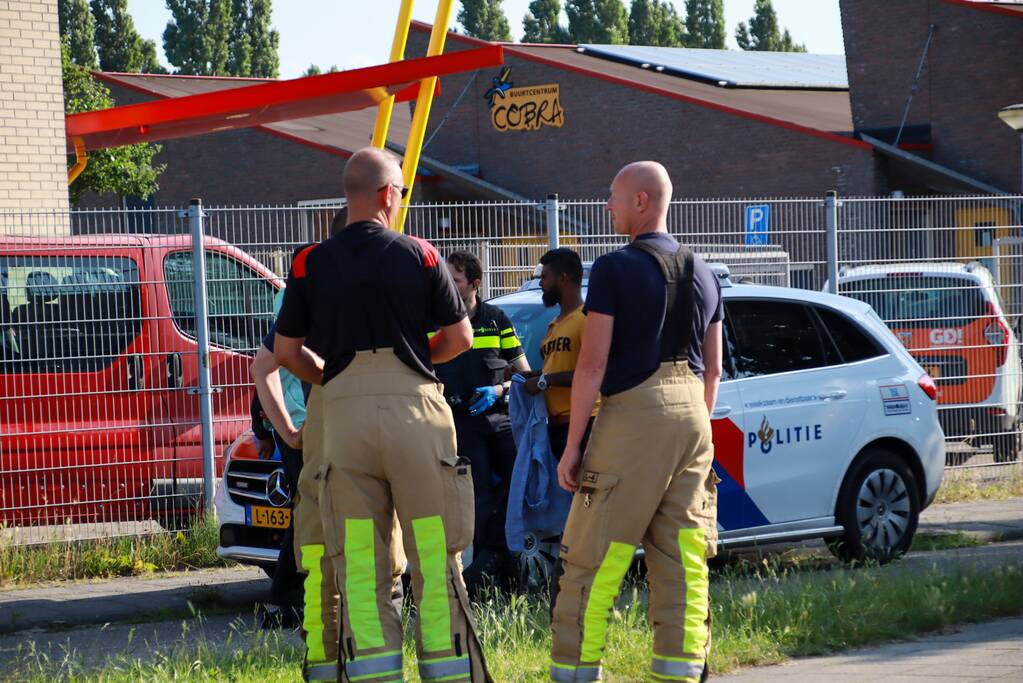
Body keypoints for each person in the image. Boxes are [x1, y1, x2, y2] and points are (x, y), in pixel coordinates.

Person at [275, 147, 492, 683]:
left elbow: (285, 350)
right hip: (415, 410)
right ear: (387, 194)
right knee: (434, 557)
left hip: (344, 421)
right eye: (401, 193)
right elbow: (460, 337)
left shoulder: (310, 261)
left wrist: (333, 379)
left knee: (361, 569)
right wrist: (419, 361)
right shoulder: (419, 253)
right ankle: (449, 674)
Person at [549, 161, 724, 683]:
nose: (608, 206)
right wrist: (693, 427)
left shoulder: (613, 268)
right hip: (695, 416)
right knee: (684, 564)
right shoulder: (706, 270)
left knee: (591, 562)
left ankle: (575, 674)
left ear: (642, 202)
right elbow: (713, 368)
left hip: (633, 416)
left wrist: (573, 444)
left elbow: (592, 364)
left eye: (614, 197)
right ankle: (680, 674)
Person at [434, 250, 530, 596]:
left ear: (474, 284)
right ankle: (484, 574)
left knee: (519, 483)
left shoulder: (496, 319)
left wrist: (499, 389)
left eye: (455, 279)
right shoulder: (437, 321)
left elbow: (524, 374)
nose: (448, 284)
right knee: (479, 497)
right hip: (461, 424)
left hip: (500, 419)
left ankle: (500, 558)